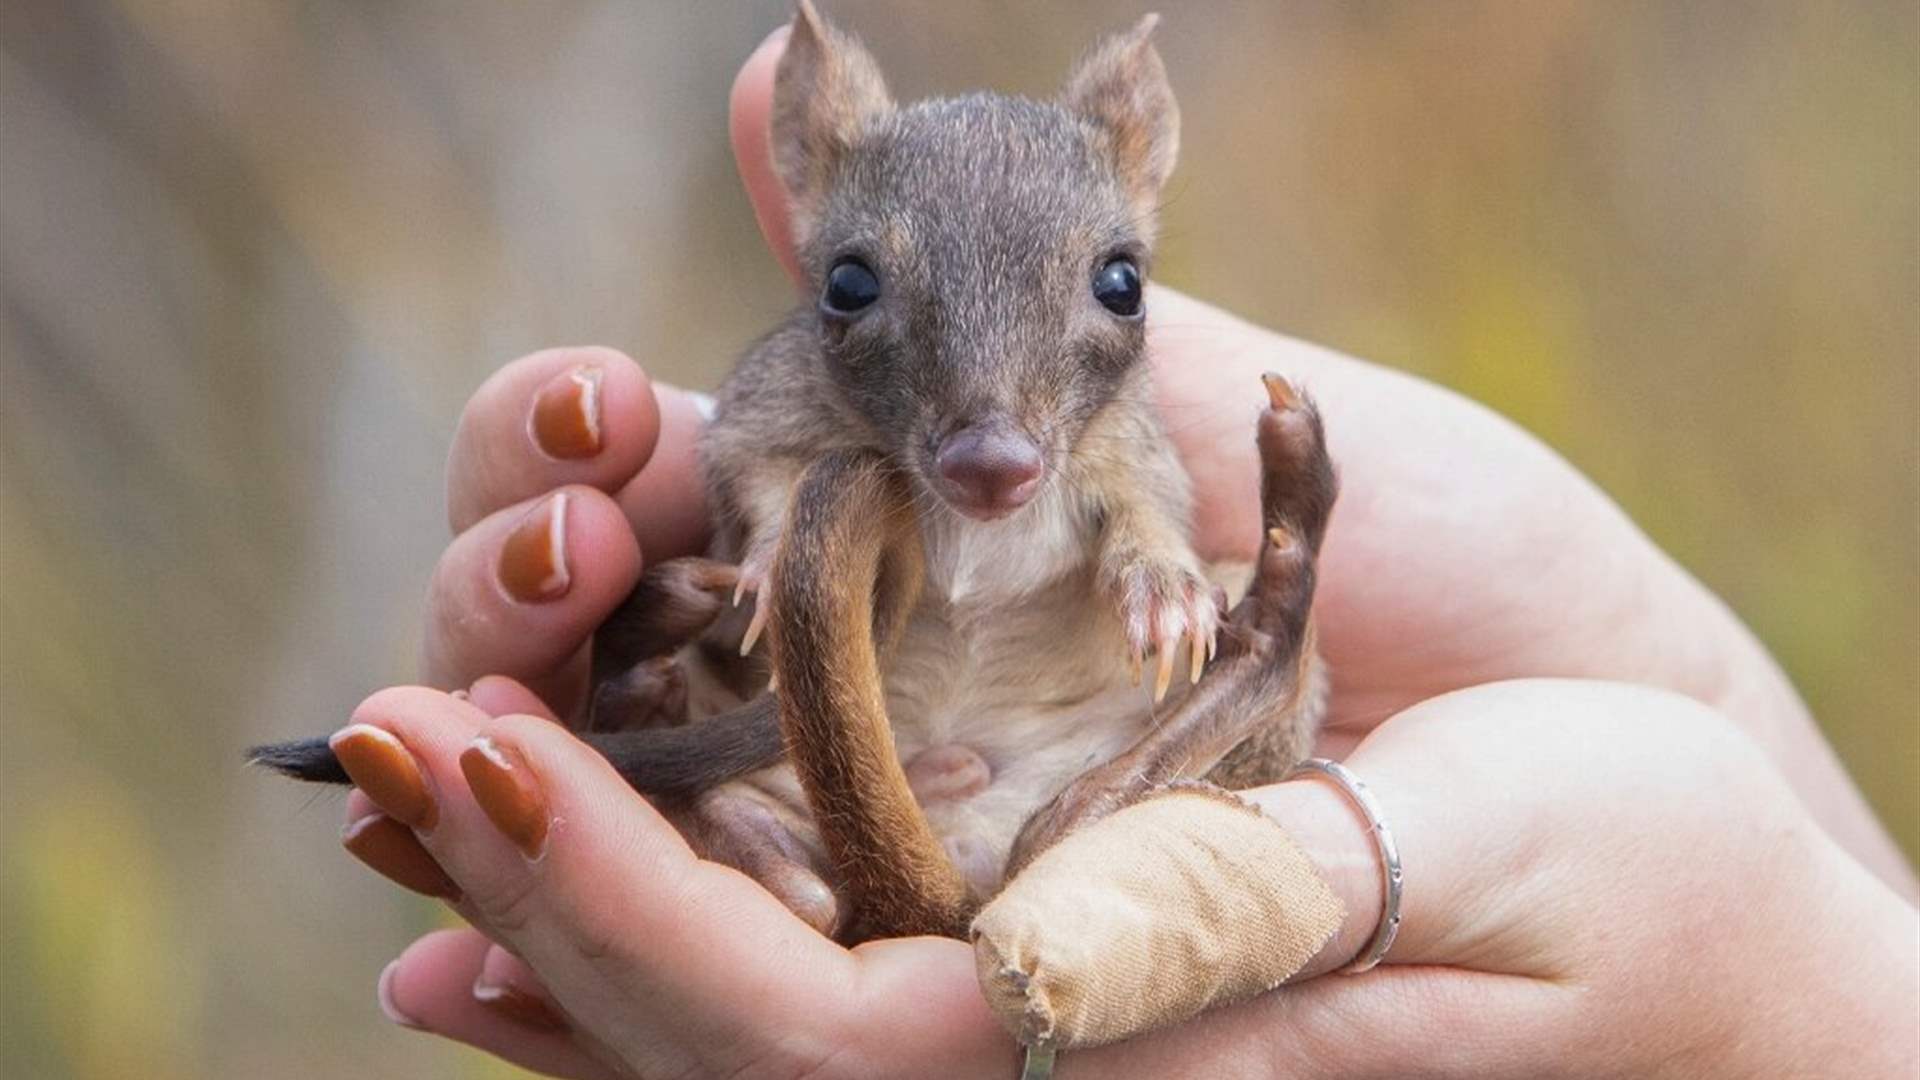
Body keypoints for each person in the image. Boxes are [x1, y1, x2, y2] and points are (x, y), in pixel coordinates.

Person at [313, 29, 1919, 1079]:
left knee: (1247, 638)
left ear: (1137, 165)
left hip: (1084, 772)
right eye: (869, 298)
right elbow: (752, 456)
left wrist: (1164, 564)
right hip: (870, 775)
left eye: (1110, 301)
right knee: (663, 705)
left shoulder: (1120, 437)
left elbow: (1145, 497)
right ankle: (757, 815)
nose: (995, 429)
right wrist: (748, 586)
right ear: (810, 171)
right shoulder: (802, 412)